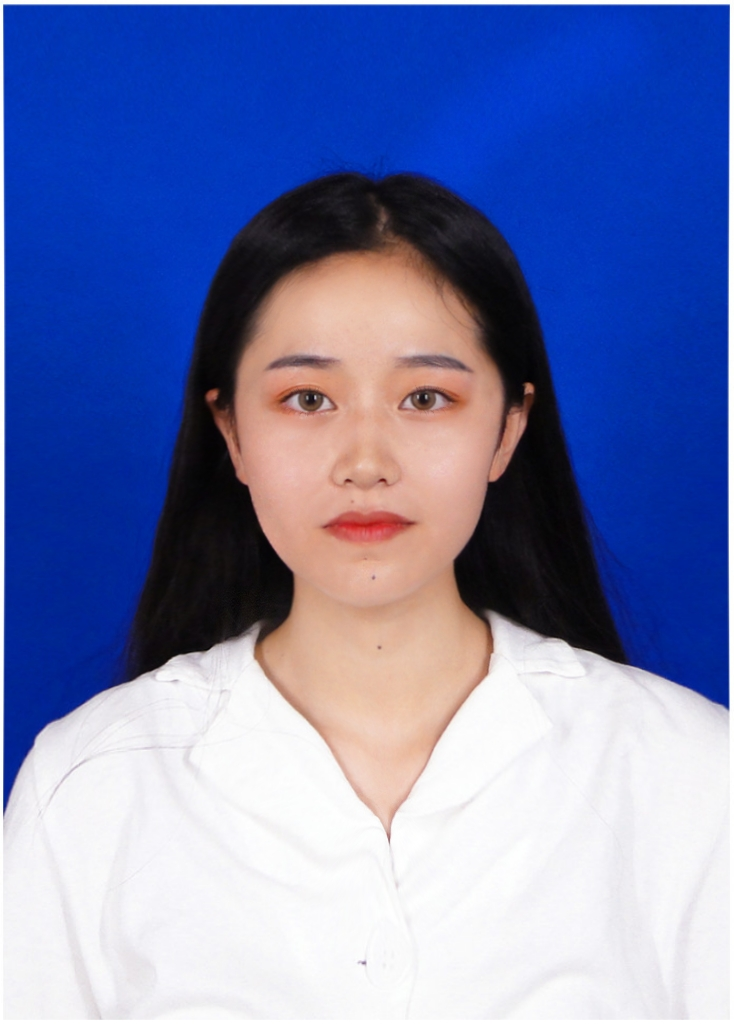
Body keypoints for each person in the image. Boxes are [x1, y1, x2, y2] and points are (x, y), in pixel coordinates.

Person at [4, 172, 728, 1020]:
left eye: (426, 398)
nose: (365, 461)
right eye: (307, 399)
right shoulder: (90, 789)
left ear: (508, 428)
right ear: (231, 431)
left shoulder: (689, 777)